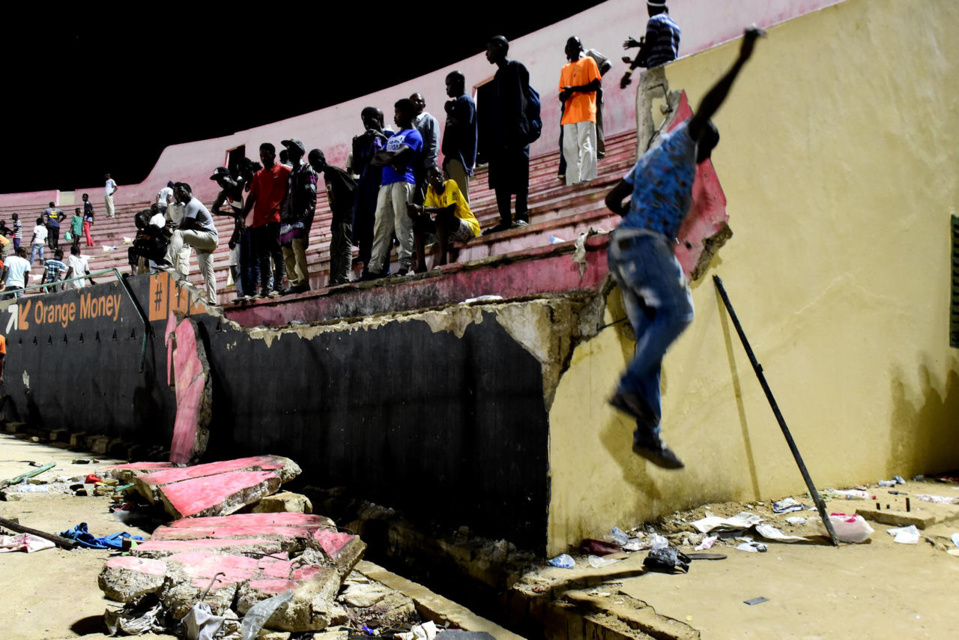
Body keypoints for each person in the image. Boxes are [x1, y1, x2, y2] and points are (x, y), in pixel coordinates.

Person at [604, 27, 763, 469]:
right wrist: (741, 60)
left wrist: (641, 212)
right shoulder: (681, 144)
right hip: (645, 246)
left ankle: (647, 434)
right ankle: (630, 388)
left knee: (651, 338)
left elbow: (611, 200)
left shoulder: (650, 159)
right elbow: (708, 107)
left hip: (623, 249)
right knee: (680, 313)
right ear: (700, 143)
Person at [478, 35, 537, 234]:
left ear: (501, 47)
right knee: (499, 180)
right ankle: (505, 219)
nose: (487, 53)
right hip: (499, 139)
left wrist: (514, 134)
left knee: (520, 178)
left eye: (490, 48)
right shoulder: (498, 76)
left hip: (515, 136)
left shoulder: (515, 68)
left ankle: (521, 216)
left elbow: (521, 103)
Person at [368, 98, 424, 278]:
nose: (395, 116)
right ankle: (374, 268)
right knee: (381, 226)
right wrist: (392, 161)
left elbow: (402, 154)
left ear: (407, 113)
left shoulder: (414, 135)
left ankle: (404, 266)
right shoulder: (392, 137)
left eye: (398, 112)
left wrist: (389, 158)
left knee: (402, 224)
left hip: (403, 182)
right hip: (386, 183)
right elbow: (375, 160)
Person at [409, 165, 480, 273]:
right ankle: (421, 266)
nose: (436, 178)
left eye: (438, 175)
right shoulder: (430, 190)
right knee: (418, 224)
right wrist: (415, 213)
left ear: (443, 176)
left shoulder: (451, 184)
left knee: (441, 218)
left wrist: (421, 208)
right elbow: (426, 213)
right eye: (432, 177)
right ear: (428, 180)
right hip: (448, 232)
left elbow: (449, 211)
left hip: (467, 228)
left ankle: (442, 262)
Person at [241, 143, 290, 297]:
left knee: (277, 252)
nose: (263, 158)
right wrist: (242, 216)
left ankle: (278, 285)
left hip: (275, 218)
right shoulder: (258, 175)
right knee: (263, 256)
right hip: (259, 221)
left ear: (273, 155)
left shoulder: (284, 171)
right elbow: (251, 197)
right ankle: (266, 288)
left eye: (266, 154)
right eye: (261, 155)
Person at [162, 183, 219, 303]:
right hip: (202, 241)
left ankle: (168, 260)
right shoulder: (187, 206)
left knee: (178, 234)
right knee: (208, 271)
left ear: (189, 191)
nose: (178, 195)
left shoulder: (193, 204)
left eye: (181, 192)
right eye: (176, 193)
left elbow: (184, 227)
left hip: (209, 237)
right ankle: (212, 300)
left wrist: (172, 230)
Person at [351, 107, 391, 276]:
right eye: (364, 121)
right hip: (366, 189)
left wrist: (380, 137)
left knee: (383, 229)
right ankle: (368, 268)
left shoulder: (389, 135)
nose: (367, 124)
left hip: (382, 186)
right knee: (366, 231)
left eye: (370, 120)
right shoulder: (363, 140)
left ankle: (384, 268)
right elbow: (358, 168)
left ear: (379, 118)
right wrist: (355, 147)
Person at [309, 148, 357, 286]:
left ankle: (344, 277)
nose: (314, 166)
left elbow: (353, 189)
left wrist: (346, 210)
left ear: (322, 159)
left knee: (345, 247)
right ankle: (334, 279)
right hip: (337, 217)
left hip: (345, 216)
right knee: (334, 250)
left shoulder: (335, 172)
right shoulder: (327, 175)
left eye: (315, 162)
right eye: (311, 164)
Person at [559, 36, 602, 186]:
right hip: (569, 114)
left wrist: (574, 89)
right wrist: (565, 95)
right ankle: (573, 182)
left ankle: (588, 180)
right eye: (571, 47)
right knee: (569, 149)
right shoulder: (564, 69)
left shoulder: (589, 61)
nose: (574, 49)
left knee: (586, 145)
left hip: (585, 111)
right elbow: (562, 94)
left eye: (577, 46)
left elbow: (596, 85)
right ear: (567, 51)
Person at [279, 139, 317, 294]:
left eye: (292, 149)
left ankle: (302, 282)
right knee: (286, 250)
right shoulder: (292, 172)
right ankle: (294, 283)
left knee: (296, 247)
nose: (288, 152)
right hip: (288, 217)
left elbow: (311, 197)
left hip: (299, 217)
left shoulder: (307, 169)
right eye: (288, 149)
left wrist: (305, 220)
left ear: (300, 152)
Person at [621, 0, 682, 89]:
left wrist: (629, 72)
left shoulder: (654, 21)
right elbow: (655, 53)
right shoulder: (674, 25)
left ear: (649, 8)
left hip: (658, 73)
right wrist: (633, 60)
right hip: (671, 71)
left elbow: (647, 47)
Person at [442, 71, 477, 204]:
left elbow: (465, 127)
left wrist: (450, 112)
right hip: (451, 157)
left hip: (459, 157)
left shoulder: (466, 101)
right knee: (451, 200)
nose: (447, 89)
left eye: (448, 84)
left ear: (458, 83)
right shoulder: (456, 103)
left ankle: (467, 225)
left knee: (461, 199)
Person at [410, 93, 440, 205]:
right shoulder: (409, 123)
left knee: (424, 198)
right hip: (412, 169)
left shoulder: (429, 120)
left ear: (424, 104)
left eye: (419, 101)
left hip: (424, 167)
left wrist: (429, 165)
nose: (416, 103)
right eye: (413, 101)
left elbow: (434, 143)